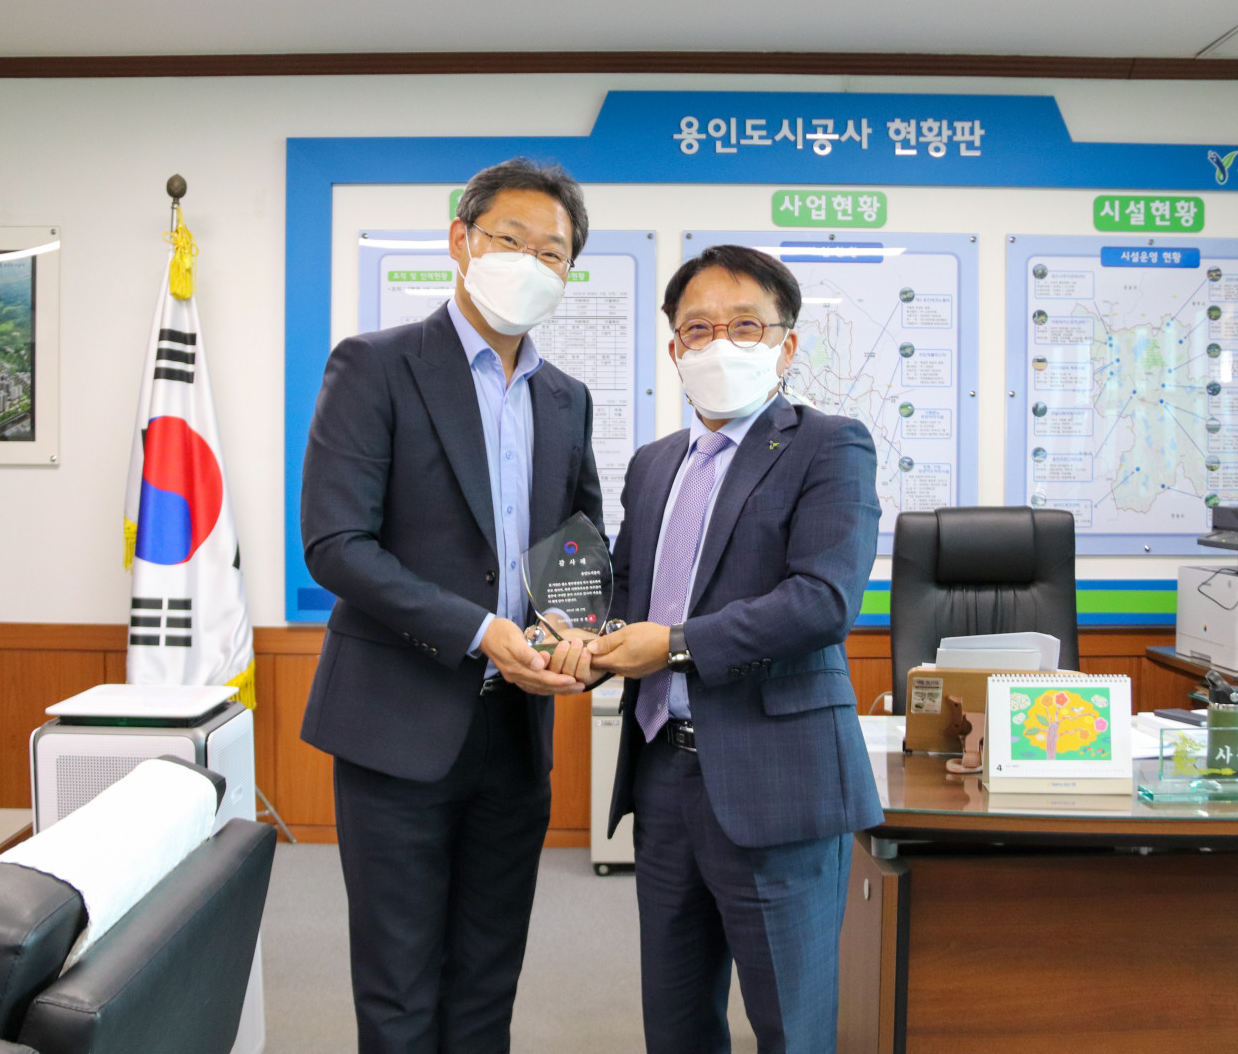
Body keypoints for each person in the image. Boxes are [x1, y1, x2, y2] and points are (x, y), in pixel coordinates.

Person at [299, 157, 602, 1053]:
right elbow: (336, 544)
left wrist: (573, 626)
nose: (531, 264)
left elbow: (579, 541)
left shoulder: (566, 398)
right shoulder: (376, 365)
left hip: (516, 731)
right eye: (512, 240)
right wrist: (479, 631)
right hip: (398, 724)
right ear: (461, 241)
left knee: (486, 981)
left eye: (553, 253)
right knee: (399, 988)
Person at [553, 245, 882, 1053]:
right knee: (676, 1021)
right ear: (676, 349)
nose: (719, 344)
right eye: (698, 329)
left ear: (786, 345)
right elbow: (629, 594)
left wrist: (673, 646)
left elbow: (822, 601)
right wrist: (579, 642)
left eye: (745, 326)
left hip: (778, 780)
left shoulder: (830, 445)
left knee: (791, 1028)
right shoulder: (654, 464)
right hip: (663, 774)